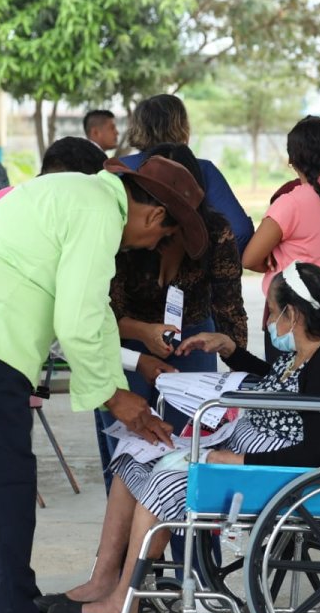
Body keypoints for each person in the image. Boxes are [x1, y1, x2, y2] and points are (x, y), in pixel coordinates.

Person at [0, 157, 201, 613]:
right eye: (162, 240)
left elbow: (93, 314)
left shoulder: (77, 193)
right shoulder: (98, 215)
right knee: (0, 491)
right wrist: (116, 398)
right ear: (154, 218)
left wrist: (122, 384)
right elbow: (77, 320)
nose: (151, 249)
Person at [44, 261, 320, 613]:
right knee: (133, 456)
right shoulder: (307, 351)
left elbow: (319, 451)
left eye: (273, 313)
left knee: (166, 479)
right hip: (247, 452)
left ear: (294, 313)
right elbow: (275, 386)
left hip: (275, 472)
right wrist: (231, 350)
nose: (269, 321)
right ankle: (103, 579)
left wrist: (235, 459)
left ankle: (124, 603)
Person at [95, 143, 247, 491]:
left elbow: (229, 305)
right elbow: (98, 312)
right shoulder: (120, 233)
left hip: (193, 342)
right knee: (128, 452)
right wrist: (142, 332)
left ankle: (186, 542)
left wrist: (238, 373)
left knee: (189, 452)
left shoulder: (214, 231)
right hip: (120, 340)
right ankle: (136, 546)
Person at [242, 116, 320, 360]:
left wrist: (275, 265)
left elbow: (250, 259)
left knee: (288, 395)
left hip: (295, 323)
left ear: (291, 159)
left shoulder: (290, 203)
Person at [123, 94, 254, 253]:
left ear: (136, 127)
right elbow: (239, 232)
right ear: (182, 127)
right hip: (191, 268)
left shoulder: (116, 170)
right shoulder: (202, 170)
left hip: (122, 273)